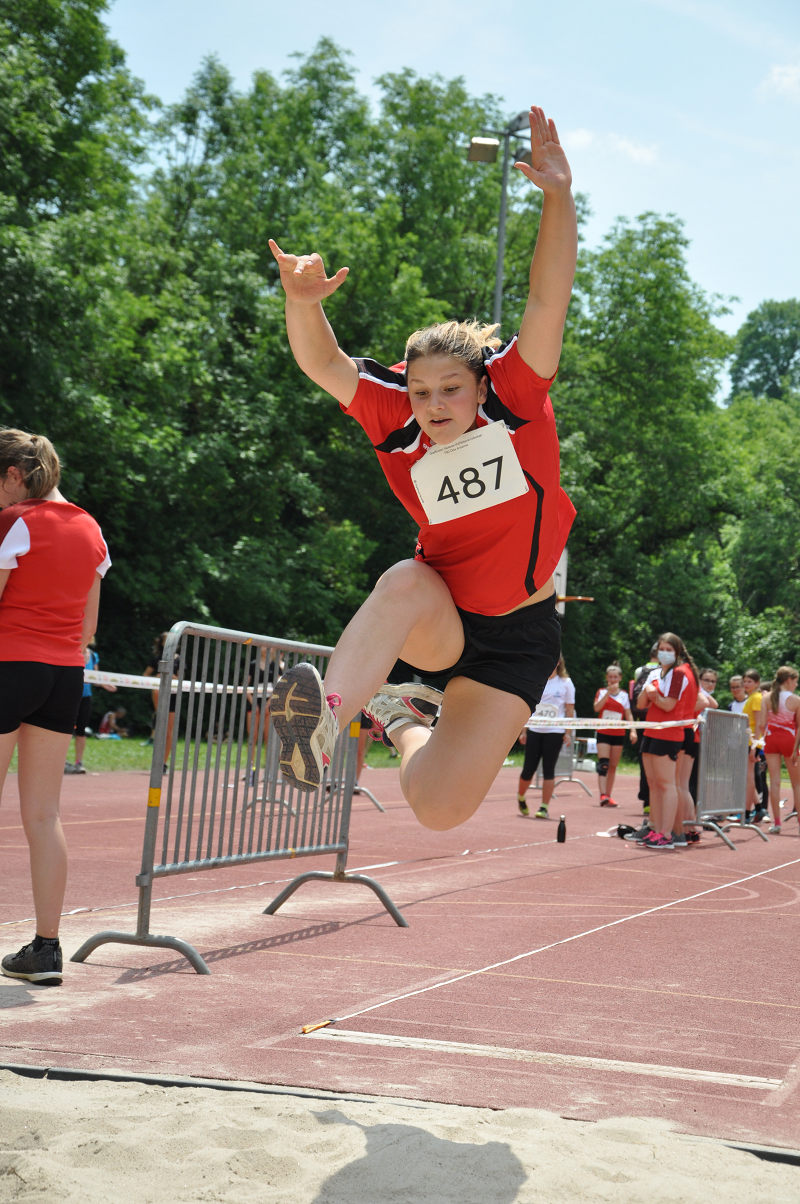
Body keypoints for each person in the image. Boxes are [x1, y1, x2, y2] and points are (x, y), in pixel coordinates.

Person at [267, 105, 576, 831]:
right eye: (420, 391)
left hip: (520, 631)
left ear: (480, 387)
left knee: (439, 808)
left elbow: (546, 297)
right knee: (403, 578)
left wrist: (558, 198)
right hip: (441, 612)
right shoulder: (395, 415)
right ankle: (321, 728)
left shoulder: (517, 393)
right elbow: (324, 363)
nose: (433, 405)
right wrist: (302, 302)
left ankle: (401, 716)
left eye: (450, 390)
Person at [0, 429, 110, 985]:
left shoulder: (14, 520)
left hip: (8, 663)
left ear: (14, 475)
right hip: (65, 674)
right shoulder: (92, 530)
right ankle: (46, 949)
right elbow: (89, 628)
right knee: (44, 816)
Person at [637, 633, 697, 849]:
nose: (664, 653)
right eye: (661, 649)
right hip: (651, 731)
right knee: (653, 784)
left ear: (677, 652)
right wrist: (649, 691)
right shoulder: (656, 673)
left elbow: (668, 705)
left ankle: (667, 833)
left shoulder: (680, 673)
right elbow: (640, 704)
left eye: (669, 650)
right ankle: (655, 828)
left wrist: (653, 694)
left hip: (669, 734)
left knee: (667, 784)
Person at [516, 656, 575, 819]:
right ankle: (521, 796)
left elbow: (570, 710)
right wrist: (523, 731)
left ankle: (544, 807)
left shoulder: (566, 683)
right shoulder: (536, 680)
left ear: (559, 663)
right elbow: (528, 708)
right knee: (528, 769)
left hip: (554, 732)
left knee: (549, 770)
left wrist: (568, 732)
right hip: (535, 730)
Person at [758, 666, 800, 835]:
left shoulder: (766, 698)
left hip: (771, 740)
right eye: (795, 681)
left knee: (774, 782)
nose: (796, 685)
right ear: (788, 680)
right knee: (797, 783)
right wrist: (796, 749)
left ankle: (776, 823)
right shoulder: (796, 700)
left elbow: (761, 725)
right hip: (789, 740)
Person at [65, 639, 117, 774]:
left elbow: (95, 678)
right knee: (64, 730)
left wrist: (105, 684)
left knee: (81, 731)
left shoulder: (93, 655)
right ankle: (61, 762)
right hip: (68, 696)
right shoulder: (71, 650)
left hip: (85, 697)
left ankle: (79, 763)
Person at [592, 663, 637, 807]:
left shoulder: (624, 695)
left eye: (615, 677)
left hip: (618, 734)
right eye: (610, 677)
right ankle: (602, 795)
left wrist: (633, 730)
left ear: (620, 678)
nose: (612, 680)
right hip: (603, 732)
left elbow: (628, 714)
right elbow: (596, 708)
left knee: (612, 766)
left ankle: (608, 795)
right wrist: (607, 693)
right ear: (607, 678)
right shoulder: (601, 692)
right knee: (604, 764)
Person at [742, 669, 767, 820]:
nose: (746, 684)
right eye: (744, 681)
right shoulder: (751, 698)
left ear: (757, 683)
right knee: (747, 776)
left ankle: (746, 812)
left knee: (748, 777)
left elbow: (759, 723)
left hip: (752, 742)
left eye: (749, 681)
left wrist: (755, 746)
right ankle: (758, 808)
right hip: (748, 741)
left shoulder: (756, 698)